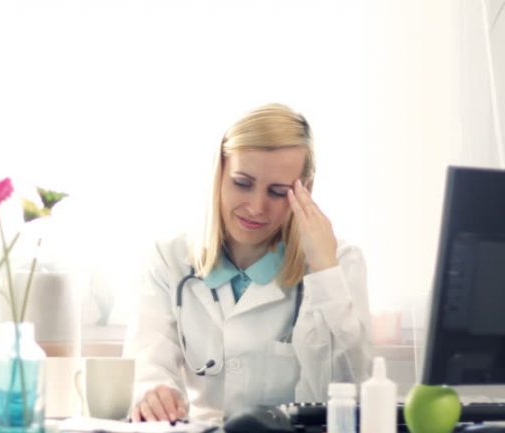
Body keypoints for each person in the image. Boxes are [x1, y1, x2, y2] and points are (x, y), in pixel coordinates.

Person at [124, 103, 372, 423]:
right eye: (242, 183)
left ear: (305, 190)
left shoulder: (339, 263)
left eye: (278, 192)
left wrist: (324, 271)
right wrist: (154, 393)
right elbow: (147, 366)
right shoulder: (168, 259)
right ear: (220, 173)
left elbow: (348, 395)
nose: (256, 207)